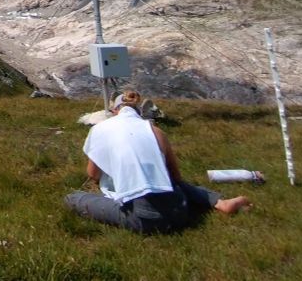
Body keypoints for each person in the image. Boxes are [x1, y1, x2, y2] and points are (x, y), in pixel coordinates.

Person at [64, 90, 252, 234]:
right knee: (172, 183)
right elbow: (176, 177)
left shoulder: (101, 129)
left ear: (115, 110)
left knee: (73, 199)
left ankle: (87, 201)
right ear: (138, 110)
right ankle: (220, 202)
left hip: (146, 219)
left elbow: (92, 174)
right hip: (181, 209)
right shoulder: (155, 130)